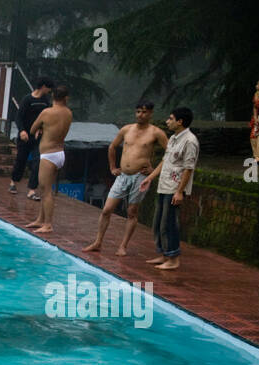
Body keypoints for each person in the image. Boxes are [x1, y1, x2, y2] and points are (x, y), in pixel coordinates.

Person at [83, 102, 167, 256]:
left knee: (132, 212)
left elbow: (170, 154)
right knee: (107, 209)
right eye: (138, 112)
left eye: (144, 112)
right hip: (122, 175)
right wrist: (112, 167)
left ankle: (123, 246)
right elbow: (112, 147)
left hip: (140, 176)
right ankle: (98, 241)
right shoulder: (126, 129)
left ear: (150, 114)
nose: (140, 115)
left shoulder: (156, 133)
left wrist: (153, 171)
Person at [143, 106, 199, 271]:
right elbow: (165, 161)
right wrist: (150, 177)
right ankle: (163, 254)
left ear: (180, 121)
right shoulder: (174, 138)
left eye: (171, 118)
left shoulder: (190, 141)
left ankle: (173, 258)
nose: (168, 121)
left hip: (174, 187)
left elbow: (189, 168)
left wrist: (179, 191)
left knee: (169, 223)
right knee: (158, 222)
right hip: (164, 185)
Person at [24, 85, 72, 234]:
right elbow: (56, 128)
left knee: (46, 191)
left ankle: (48, 224)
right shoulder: (68, 113)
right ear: (66, 98)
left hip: (48, 155)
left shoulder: (47, 112)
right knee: (45, 189)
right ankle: (40, 219)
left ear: (53, 97)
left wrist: (40, 128)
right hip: (60, 154)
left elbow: (32, 129)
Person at [9, 76, 52, 199]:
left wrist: (42, 128)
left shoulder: (45, 101)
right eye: (48, 88)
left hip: (38, 137)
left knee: (38, 161)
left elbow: (46, 118)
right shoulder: (27, 99)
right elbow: (19, 117)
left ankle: (32, 189)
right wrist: (22, 131)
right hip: (25, 136)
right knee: (21, 160)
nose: (49, 91)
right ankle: (13, 182)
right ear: (43, 87)